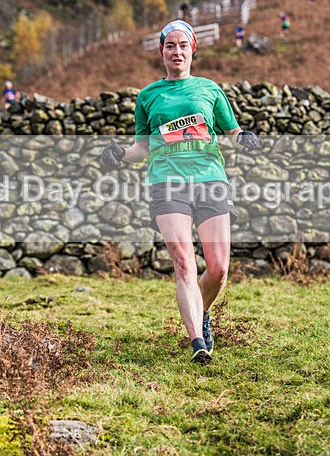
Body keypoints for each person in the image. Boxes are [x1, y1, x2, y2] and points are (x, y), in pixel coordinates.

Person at [100, 20, 260, 364]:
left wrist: (244, 138)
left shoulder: (209, 89)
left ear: (192, 49)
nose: (177, 51)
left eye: (183, 45)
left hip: (210, 179)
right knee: (185, 262)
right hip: (166, 181)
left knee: (218, 268)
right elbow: (141, 149)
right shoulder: (148, 96)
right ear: (161, 51)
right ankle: (197, 341)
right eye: (170, 46)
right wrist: (120, 154)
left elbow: (232, 131)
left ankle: (202, 311)